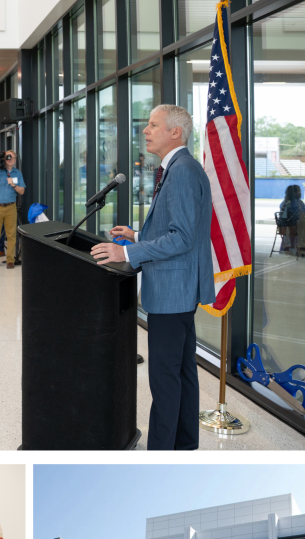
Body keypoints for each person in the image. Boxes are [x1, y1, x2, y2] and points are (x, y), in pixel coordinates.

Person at [94, 104, 214, 451]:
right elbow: (176, 230)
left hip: (172, 292)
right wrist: (136, 236)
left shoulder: (182, 171)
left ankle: (162, 452)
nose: (145, 131)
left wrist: (126, 253)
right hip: (178, 290)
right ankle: (184, 444)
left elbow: (182, 237)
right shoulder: (178, 168)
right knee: (181, 374)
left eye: (153, 125)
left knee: (164, 378)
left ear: (175, 132)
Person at [0, 150, 24, 269]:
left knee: (11, 235)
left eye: (12, 157)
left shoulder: (17, 173)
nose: (10, 159)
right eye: (8, 157)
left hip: (11, 207)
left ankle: (10, 260)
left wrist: (13, 185)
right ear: (4, 159)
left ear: (15, 160)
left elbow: (22, 191)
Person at [279, 184, 305, 257]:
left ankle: (289, 247)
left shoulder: (283, 203)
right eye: (299, 191)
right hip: (296, 229)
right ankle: (303, 248)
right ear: (297, 193)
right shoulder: (299, 203)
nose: (300, 193)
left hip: (284, 229)